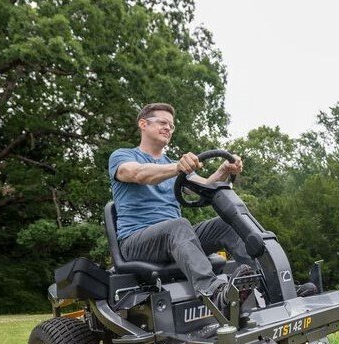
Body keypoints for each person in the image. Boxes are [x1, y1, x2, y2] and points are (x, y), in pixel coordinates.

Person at [108, 103, 256, 313]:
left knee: (226, 224)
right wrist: (177, 167)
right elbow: (138, 174)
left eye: (171, 126)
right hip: (136, 242)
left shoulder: (173, 165)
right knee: (178, 225)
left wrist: (224, 170)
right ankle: (214, 293)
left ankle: (265, 286)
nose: (168, 128)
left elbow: (204, 186)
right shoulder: (122, 156)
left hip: (174, 238)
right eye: (162, 122)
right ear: (143, 124)